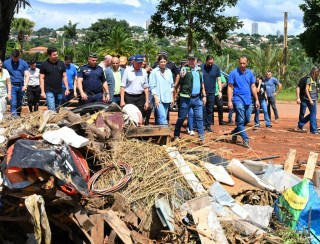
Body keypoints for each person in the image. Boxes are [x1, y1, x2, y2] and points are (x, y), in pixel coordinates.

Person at [174, 53, 207, 143]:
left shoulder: (200, 70)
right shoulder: (184, 69)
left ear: (196, 61)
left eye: (193, 59)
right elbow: (180, 79)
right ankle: (176, 134)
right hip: (186, 98)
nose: (191, 61)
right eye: (190, 59)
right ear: (188, 60)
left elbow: (202, 83)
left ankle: (201, 137)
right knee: (182, 117)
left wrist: (204, 95)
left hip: (197, 98)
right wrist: (181, 76)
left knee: (199, 117)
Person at [228, 56, 259, 147]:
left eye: (244, 63)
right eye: (240, 63)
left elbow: (253, 86)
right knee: (240, 121)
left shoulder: (250, 73)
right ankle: (245, 139)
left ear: (247, 63)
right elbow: (230, 87)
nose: (242, 65)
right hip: (238, 99)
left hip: (248, 100)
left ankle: (234, 132)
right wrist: (230, 101)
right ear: (239, 62)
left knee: (247, 120)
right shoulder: (233, 73)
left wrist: (257, 100)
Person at [40, 47, 69, 111]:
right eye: (54, 55)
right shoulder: (44, 64)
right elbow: (41, 78)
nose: (56, 56)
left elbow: (64, 76)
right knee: (51, 108)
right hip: (49, 90)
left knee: (57, 108)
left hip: (59, 90)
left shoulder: (61, 63)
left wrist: (67, 88)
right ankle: (51, 120)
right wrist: (42, 91)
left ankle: (55, 120)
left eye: (57, 54)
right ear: (49, 55)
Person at [3, 49, 29, 117]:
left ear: (19, 56)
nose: (15, 60)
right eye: (14, 58)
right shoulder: (6, 63)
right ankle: (14, 117)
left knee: (19, 103)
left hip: (21, 86)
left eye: (17, 58)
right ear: (11, 56)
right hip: (11, 86)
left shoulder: (24, 63)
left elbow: (27, 75)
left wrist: (25, 85)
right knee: (13, 103)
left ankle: (17, 116)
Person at [149, 54, 174, 125]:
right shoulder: (154, 72)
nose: (163, 63)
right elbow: (152, 86)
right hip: (158, 98)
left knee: (163, 117)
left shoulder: (169, 71)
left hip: (167, 97)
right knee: (163, 117)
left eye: (164, 62)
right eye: (161, 62)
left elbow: (171, 85)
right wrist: (155, 97)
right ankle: (165, 134)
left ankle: (159, 134)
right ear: (158, 62)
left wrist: (172, 97)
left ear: (167, 62)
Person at [200, 55, 222, 132]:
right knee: (203, 109)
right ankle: (201, 125)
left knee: (210, 110)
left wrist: (220, 90)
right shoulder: (201, 67)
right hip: (202, 92)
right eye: (209, 63)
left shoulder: (216, 68)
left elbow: (219, 79)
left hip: (212, 92)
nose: (210, 64)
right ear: (206, 61)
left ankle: (208, 125)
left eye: (211, 63)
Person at [296, 66, 319, 134]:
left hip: (312, 98)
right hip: (304, 98)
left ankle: (302, 124)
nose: (317, 74)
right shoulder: (305, 79)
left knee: (313, 113)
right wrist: (298, 98)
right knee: (303, 112)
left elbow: (313, 88)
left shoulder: (316, 79)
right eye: (316, 73)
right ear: (312, 72)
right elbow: (299, 88)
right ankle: (312, 129)